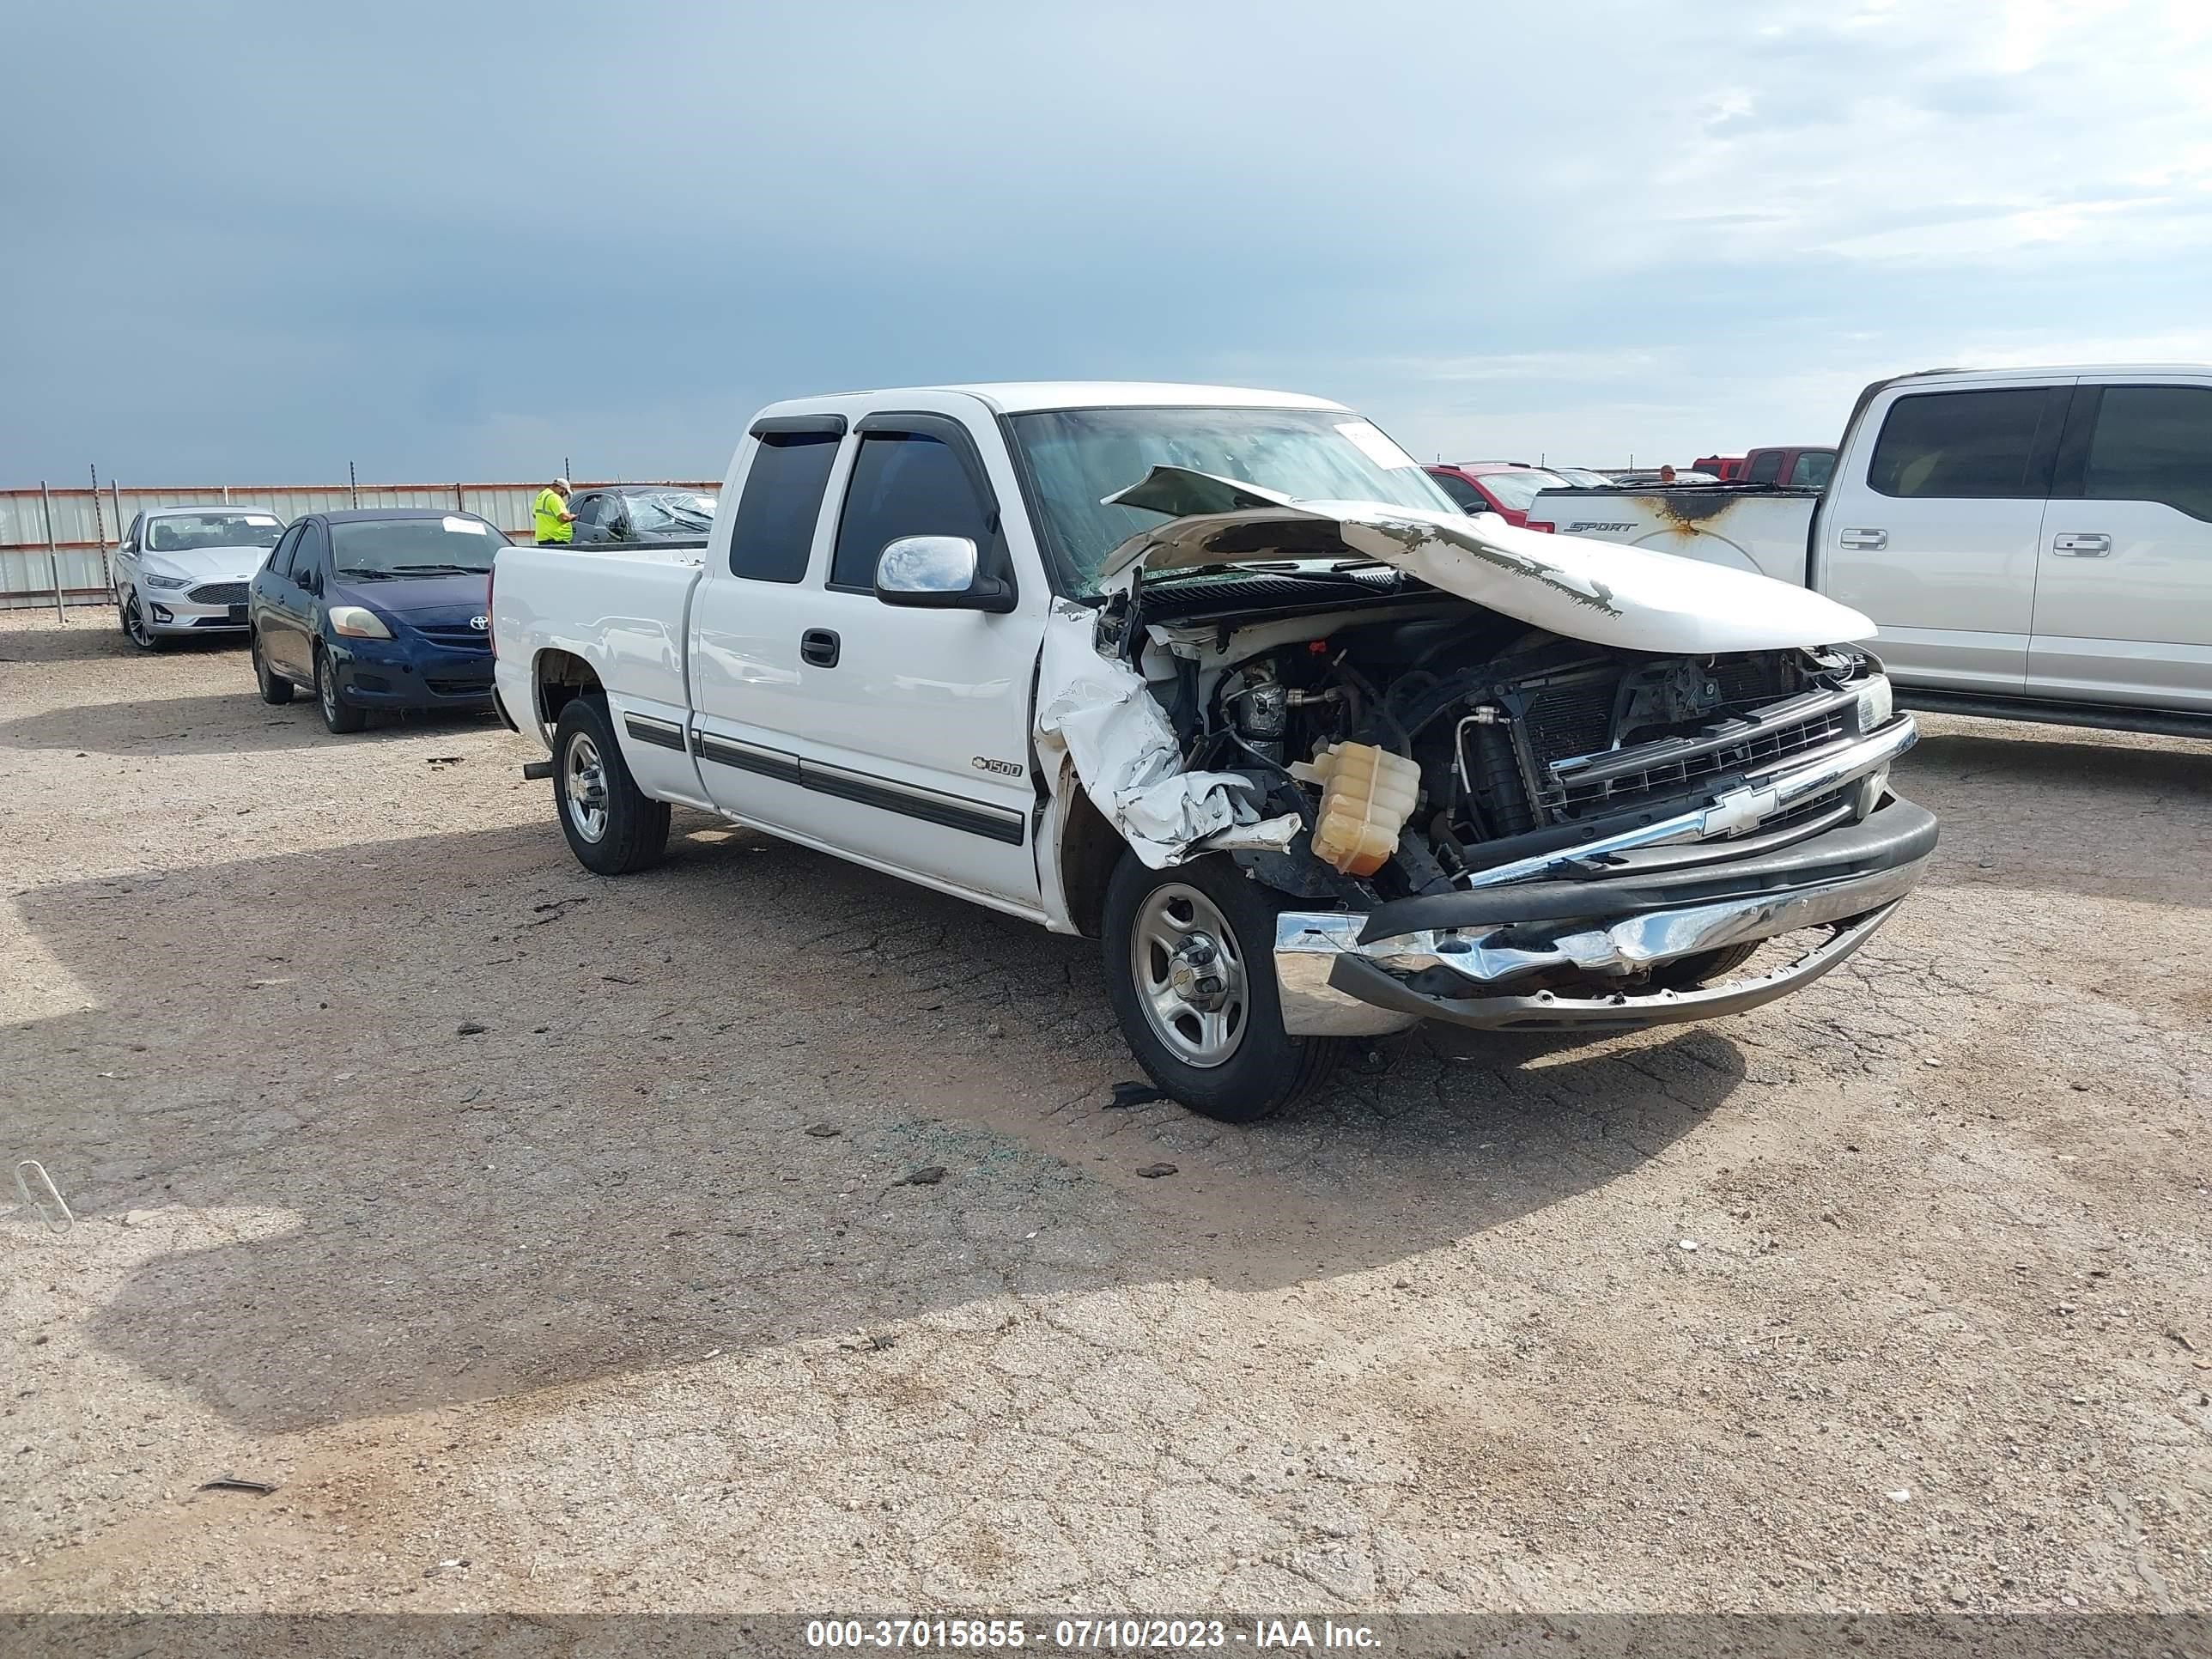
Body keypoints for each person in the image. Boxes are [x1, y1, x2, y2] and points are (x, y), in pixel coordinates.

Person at [533, 477, 576, 544]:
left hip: (543, 537)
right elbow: (563, 518)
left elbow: (535, 515)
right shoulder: (554, 497)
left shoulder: (541, 496)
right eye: (565, 492)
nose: (564, 495)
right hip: (556, 538)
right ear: (560, 488)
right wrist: (572, 517)